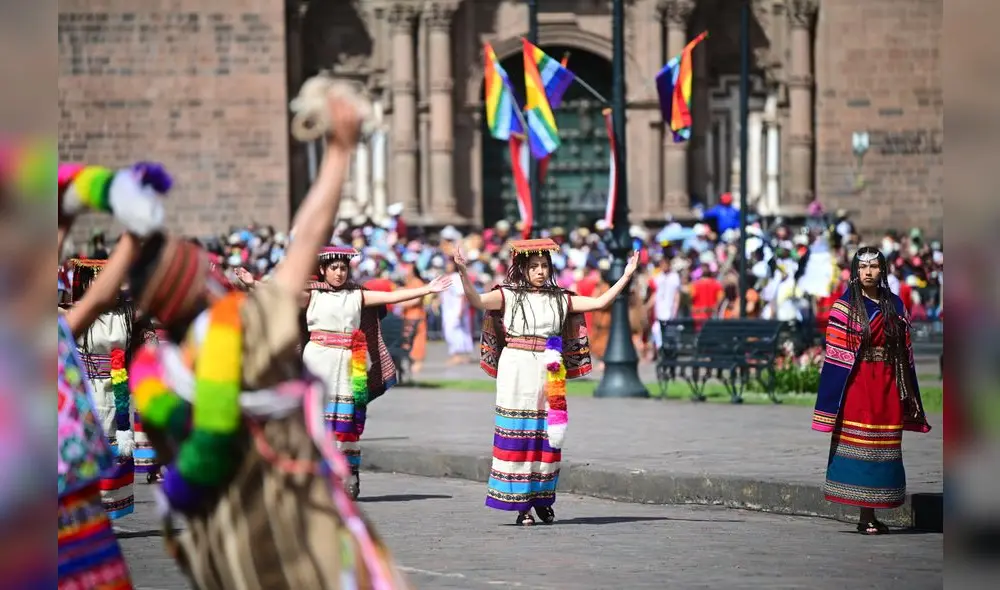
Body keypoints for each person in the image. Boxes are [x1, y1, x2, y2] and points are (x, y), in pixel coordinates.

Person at [123, 81, 410, 588]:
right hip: (297, 520)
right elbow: (308, 238)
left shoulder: (153, 372)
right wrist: (340, 150)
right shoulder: (244, 326)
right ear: (202, 288)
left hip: (222, 540)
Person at [455, 238, 639, 526]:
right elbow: (477, 300)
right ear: (522, 269)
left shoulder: (561, 298)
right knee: (520, 432)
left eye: (544, 266)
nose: (540, 271)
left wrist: (626, 275)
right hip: (516, 366)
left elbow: (601, 302)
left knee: (548, 435)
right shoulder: (508, 295)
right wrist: (463, 273)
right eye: (534, 267)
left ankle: (542, 499)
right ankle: (521, 505)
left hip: (550, 367)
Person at [299, 246, 450, 499]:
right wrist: (251, 283)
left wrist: (427, 289)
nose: (339, 273)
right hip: (317, 359)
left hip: (349, 360)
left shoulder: (358, 295)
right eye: (333, 268)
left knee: (348, 421)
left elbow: (392, 298)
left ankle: (349, 473)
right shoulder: (311, 295)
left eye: (343, 268)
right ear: (322, 270)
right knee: (316, 421)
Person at [813, 246, 931, 535]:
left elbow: (905, 352)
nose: (868, 272)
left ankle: (875, 509)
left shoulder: (895, 305)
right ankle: (865, 515)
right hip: (858, 383)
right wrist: (830, 403)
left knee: (884, 446)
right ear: (855, 270)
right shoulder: (845, 307)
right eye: (863, 267)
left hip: (887, 382)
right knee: (862, 443)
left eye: (874, 266)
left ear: (882, 270)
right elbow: (836, 357)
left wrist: (909, 392)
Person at [65, 257, 156, 520]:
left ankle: (108, 510)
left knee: (115, 450)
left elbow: (150, 325)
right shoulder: (75, 311)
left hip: (116, 389)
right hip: (86, 387)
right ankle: (85, 510)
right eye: (97, 278)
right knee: (87, 451)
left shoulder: (129, 313)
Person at [440, 257, 475, 365]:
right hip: (449, 310)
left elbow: (461, 294)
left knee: (454, 332)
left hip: (455, 310)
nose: (447, 266)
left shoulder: (455, 277)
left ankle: (457, 355)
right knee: (457, 331)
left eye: (450, 264)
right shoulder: (448, 277)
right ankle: (462, 356)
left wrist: (460, 310)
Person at [398, 261, 429, 376]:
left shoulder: (417, 282)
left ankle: (418, 362)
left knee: (418, 339)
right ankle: (409, 361)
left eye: (408, 269)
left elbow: (418, 299)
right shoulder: (407, 283)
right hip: (406, 315)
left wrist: (403, 304)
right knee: (406, 340)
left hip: (417, 315)